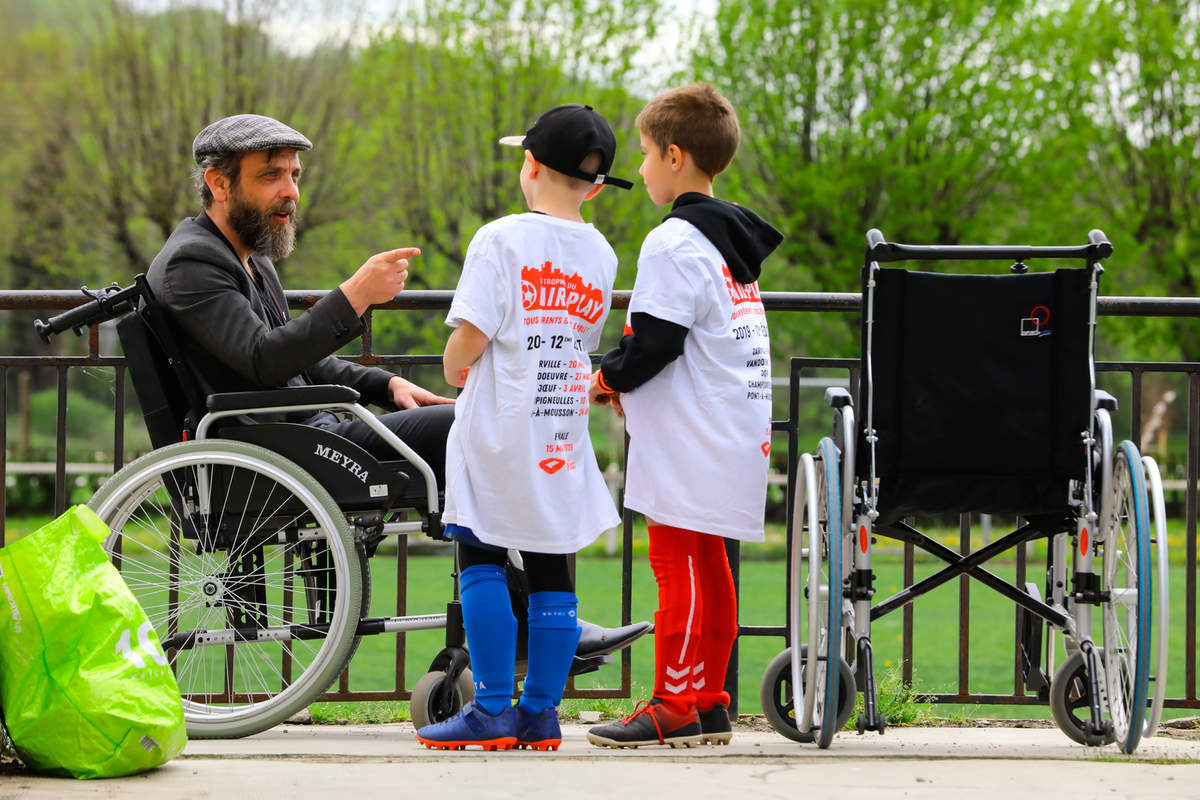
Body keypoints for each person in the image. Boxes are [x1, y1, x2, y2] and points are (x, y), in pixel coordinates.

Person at [145, 112, 647, 682]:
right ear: (218, 182)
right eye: (271, 176)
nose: (290, 192)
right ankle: (536, 617)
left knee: (477, 422)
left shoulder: (248, 257)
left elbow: (292, 356)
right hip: (278, 448)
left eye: (294, 174)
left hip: (305, 433)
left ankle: (528, 615)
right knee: (477, 426)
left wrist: (386, 385)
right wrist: (355, 295)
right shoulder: (194, 261)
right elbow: (264, 358)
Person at [414, 103, 633, 752]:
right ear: (595, 185)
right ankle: (540, 713)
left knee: (479, 556)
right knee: (550, 568)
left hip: (499, 426)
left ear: (530, 164)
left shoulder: (501, 239)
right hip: (560, 427)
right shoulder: (602, 252)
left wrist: (455, 364)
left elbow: (471, 338)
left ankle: (489, 708)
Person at [585, 84, 783, 748]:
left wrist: (607, 376)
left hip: (691, 434)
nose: (638, 168)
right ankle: (709, 700)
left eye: (642, 153)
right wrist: (625, 370)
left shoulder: (674, 240)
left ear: (674, 156)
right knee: (710, 564)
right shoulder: (732, 243)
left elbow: (659, 343)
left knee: (676, 566)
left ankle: (674, 702)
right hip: (733, 426)